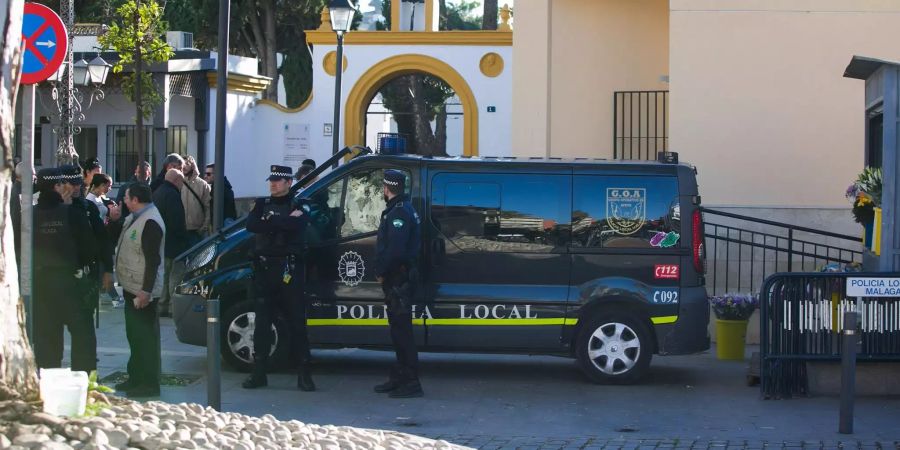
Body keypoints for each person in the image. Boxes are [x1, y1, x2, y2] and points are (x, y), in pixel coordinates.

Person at [242, 164, 314, 391]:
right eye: (271, 180)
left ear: (289, 182)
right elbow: (251, 225)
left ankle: (304, 374)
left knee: (297, 323)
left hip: (289, 271)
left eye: (278, 180)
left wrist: (270, 223)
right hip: (265, 271)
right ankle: (259, 373)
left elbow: (298, 225)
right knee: (262, 324)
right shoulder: (262, 204)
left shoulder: (300, 204)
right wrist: (279, 222)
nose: (273, 184)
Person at [32, 167, 98, 373]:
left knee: (47, 338)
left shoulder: (31, 215)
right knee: (82, 336)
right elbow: (89, 248)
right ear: (55, 186)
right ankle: (85, 380)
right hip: (71, 283)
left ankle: (47, 378)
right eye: (61, 183)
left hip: (41, 283)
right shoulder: (72, 213)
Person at [373, 170, 423, 398]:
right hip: (398, 280)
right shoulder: (400, 208)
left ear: (386, 188)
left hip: (398, 281)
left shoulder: (399, 212)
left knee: (402, 332)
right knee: (397, 331)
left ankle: (411, 382)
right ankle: (400, 376)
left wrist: (381, 272)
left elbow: (395, 250)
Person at [115, 182, 165, 397]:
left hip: (142, 290)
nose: (124, 201)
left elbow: (153, 260)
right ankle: (135, 376)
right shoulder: (135, 217)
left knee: (145, 338)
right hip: (131, 285)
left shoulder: (151, 221)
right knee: (134, 335)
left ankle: (149, 383)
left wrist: (146, 291)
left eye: (127, 198)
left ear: (136, 200)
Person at [151, 169, 188, 318]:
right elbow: (177, 222)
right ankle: (173, 307)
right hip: (174, 244)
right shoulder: (173, 195)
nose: (182, 185)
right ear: (176, 180)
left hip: (161, 243)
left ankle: (162, 305)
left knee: (164, 276)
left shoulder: (157, 193)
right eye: (182, 181)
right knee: (175, 276)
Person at [86, 173, 124, 307]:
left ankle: (110, 295)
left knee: (105, 267)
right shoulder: (90, 200)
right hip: (97, 238)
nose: (109, 189)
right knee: (105, 268)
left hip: (103, 236)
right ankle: (113, 297)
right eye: (108, 186)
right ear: (101, 185)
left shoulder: (98, 199)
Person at [180, 155, 211, 246]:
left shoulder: (203, 184)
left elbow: (207, 207)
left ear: (193, 165)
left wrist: (203, 228)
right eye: (182, 164)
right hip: (181, 230)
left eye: (187, 163)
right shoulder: (178, 182)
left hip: (197, 231)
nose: (184, 166)